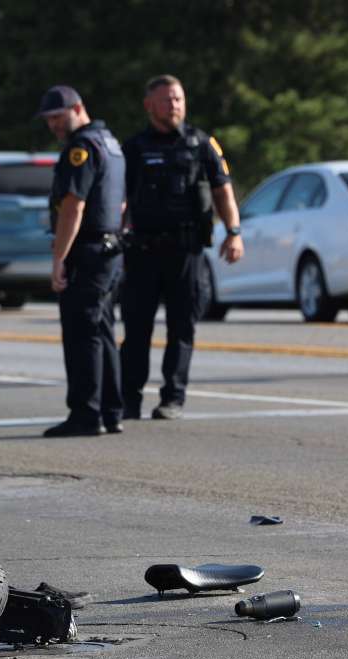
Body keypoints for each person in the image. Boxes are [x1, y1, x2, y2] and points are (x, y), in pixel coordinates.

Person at [120, 75, 244, 421]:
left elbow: (223, 190)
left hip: (185, 251)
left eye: (178, 99)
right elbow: (119, 199)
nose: (174, 105)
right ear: (149, 105)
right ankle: (128, 400)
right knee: (136, 329)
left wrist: (234, 232)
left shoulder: (202, 144)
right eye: (167, 100)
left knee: (182, 328)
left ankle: (172, 398)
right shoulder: (134, 148)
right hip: (142, 251)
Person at [37, 85, 126, 438]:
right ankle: (111, 411)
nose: (53, 125)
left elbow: (74, 206)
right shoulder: (110, 143)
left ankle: (86, 414)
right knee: (101, 331)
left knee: (81, 334)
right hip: (109, 249)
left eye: (58, 117)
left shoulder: (82, 148)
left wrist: (59, 258)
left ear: (78, 108)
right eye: (48, 120)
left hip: (87, 251)